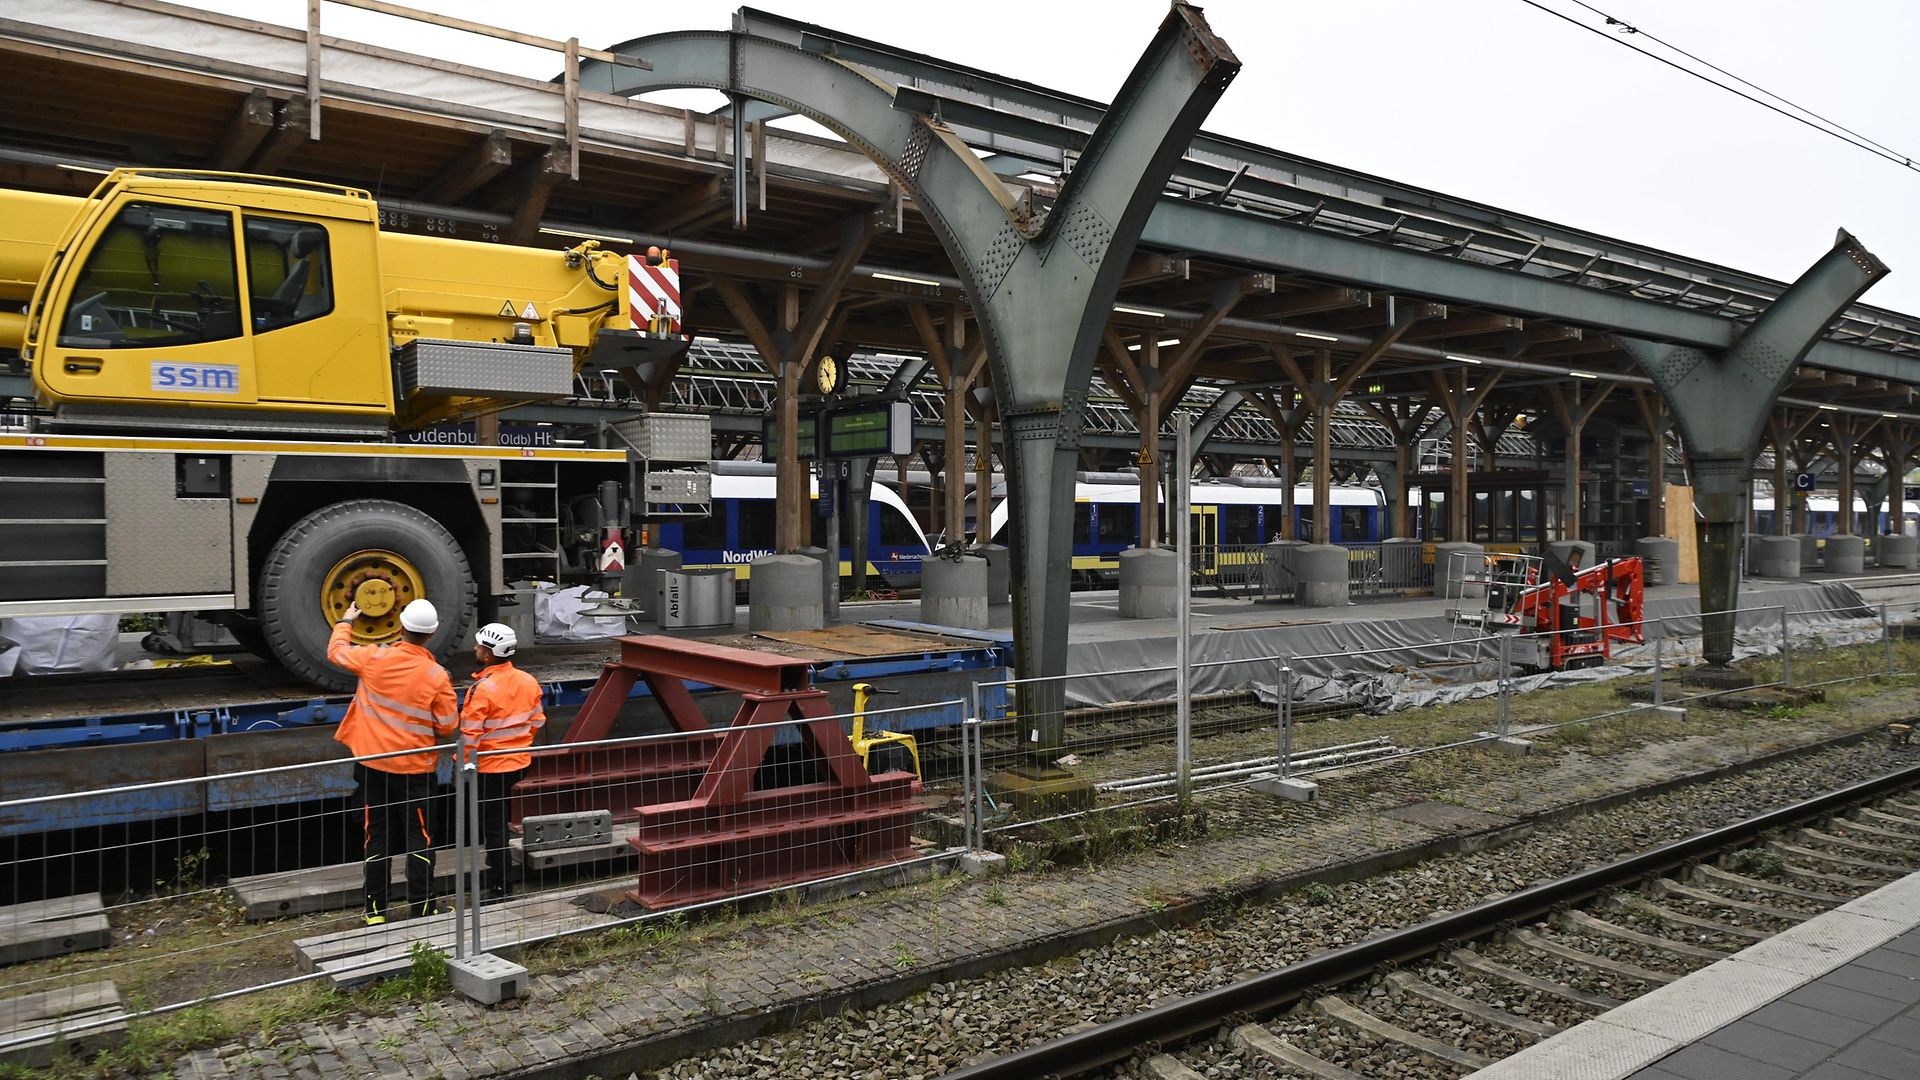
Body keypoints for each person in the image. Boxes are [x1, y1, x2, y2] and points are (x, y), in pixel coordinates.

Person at [329, 598, 458, 925]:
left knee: (377, 837)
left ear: (401, 627)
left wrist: (346, 620)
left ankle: (375, 910)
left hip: (373, 766)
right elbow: (447, 726)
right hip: (415, 770)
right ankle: (423, 907)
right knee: (421, 837)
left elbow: (336, 651)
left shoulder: (373, 657)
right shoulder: (436, 676)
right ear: (430, 635)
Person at [459, 623, 547, 900]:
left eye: (479, 646)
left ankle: (500, 887)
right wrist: (519, 745)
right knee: (503, 823)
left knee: (494, 828)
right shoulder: (528, 681)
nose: (475, 648)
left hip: (489, 766)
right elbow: (537, 721)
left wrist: (463, 766)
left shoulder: (482, 689)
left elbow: (469, 734)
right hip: (519, 762)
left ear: (488, 654)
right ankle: (501, 882)